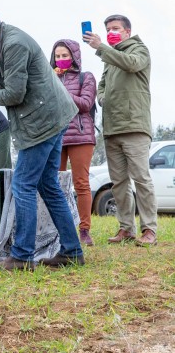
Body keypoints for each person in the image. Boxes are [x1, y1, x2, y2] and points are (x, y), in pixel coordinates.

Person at [0, 4, 82, 270]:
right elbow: (16, 83)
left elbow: (16, 94)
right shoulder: (0, 42)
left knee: (23, 185)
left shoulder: (13, 44)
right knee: (48, 185)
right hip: (53, 115)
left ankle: (21, 256)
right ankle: (72, 251)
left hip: (43, 120)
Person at [83, 15, 157, 246]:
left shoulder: (139, 50)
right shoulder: (109, 57)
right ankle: (126, 228)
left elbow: (131, 64)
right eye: (107, 29)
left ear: (127, 31)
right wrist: (103, 96)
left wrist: (101, 47)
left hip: (134, 125)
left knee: (141, 178)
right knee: (119, 182)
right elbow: (103, 83)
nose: (110, 32)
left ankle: (149, 229)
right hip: (112, 127)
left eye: (115, 28)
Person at [50, 39, 97, 247]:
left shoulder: (85, 77)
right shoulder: (50, 77)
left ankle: (85, 230)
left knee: (81, 183)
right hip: (55, 135)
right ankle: (56, 230)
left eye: (65, 55)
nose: (61, 60)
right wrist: (51, 81)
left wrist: (61, 91)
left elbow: (86, 104)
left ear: (74, 56)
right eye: (57, 56)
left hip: (80, 136)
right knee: (55, 184)